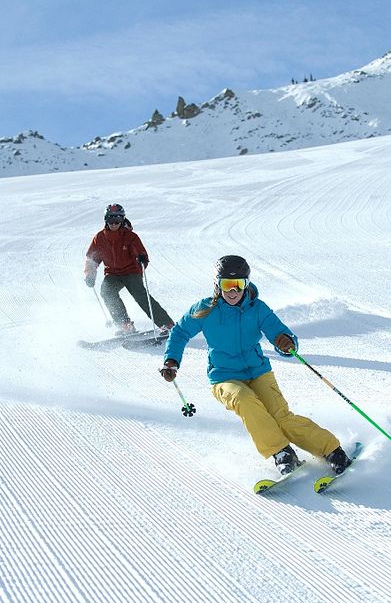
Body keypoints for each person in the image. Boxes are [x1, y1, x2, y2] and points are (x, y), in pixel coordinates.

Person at [160, 255, 351, 475]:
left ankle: (332, 451)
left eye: (239, 285)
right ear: (217, 284)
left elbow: (280, 332)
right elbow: (180, 332)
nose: (233, 292)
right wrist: (172, 360)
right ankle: (282, 452)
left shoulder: (257, 308)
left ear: (246, 284)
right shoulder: (205, 310)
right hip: (224, 376)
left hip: (258, 371)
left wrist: (286, 343)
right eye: (226, 285)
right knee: (245, 401)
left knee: (281, 417)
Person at [84, 203, 175, 335]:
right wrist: (90, 274)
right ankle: (124, 324)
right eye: (110, 220)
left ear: (122, 220)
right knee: (106, 291)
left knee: (140, 296)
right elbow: (91, 259)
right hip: (113, 274)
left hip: (131, 271)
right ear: (106, 220)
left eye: (117, 220)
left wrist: (142, 259)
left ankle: (167, 324)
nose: (114, 224)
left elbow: (142, 254)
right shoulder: (100, 238)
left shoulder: (131, 237)